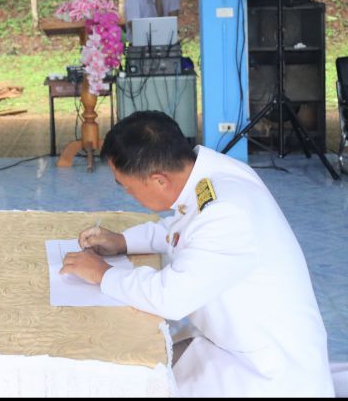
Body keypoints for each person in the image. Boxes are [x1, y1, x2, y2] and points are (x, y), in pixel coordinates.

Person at [60, 111, 333, 397]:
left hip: (265, 373)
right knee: (137, 370)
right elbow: (185, 227)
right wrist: (123, 241)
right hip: (233, 343)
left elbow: (169, 297)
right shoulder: (212, 178)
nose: (128, 194)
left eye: (128, 187)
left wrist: (102, 273)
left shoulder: (227, 213)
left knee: (130, 380)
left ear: (159, 180)